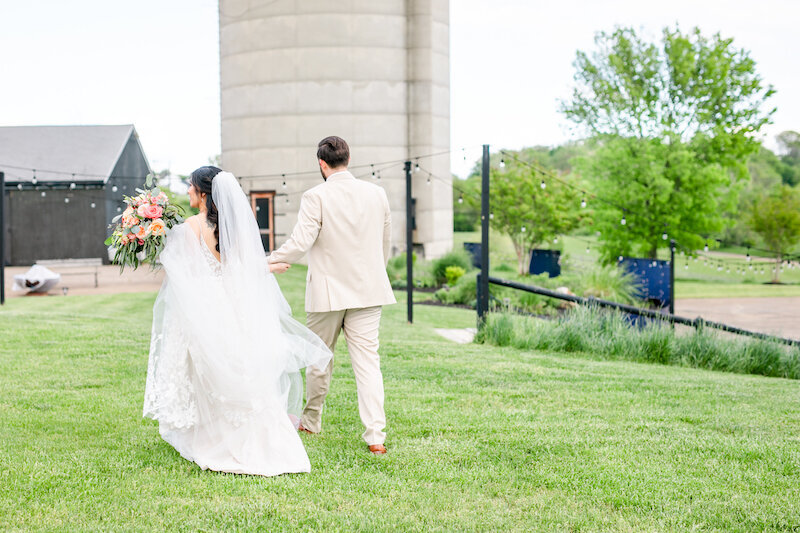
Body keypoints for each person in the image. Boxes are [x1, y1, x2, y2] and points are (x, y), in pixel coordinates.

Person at [143, 166, 332, 476]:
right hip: (232, 306)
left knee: (206, 369)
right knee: (239, 366)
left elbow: (183, 275)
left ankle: (208, 433)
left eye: (191, 187)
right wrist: (266, 269)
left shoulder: (187, 229)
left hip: (203, 307)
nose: (188, 191)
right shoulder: (232, 228)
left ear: (203, 194)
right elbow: (239, 269)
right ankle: (253, 430)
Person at [268, 136, 396, 455]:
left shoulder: (316, 195)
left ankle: (311, 421)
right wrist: (374, 274)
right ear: (347, 159)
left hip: (327, 293)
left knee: (318, 359)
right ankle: (375, 437)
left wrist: (263, 261)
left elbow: (299, 244)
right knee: (368, 364)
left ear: (322, 164)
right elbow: (385, 242)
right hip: (369, 290)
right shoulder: (377, 193)